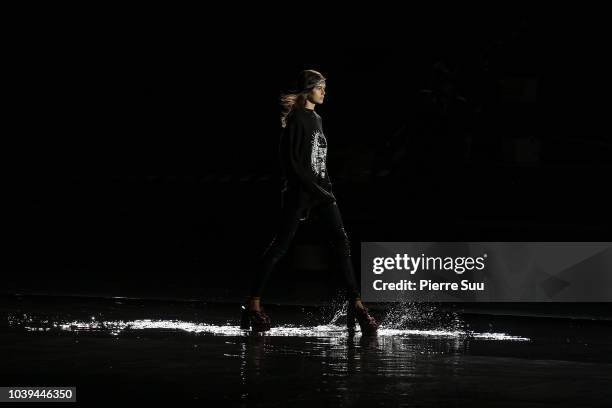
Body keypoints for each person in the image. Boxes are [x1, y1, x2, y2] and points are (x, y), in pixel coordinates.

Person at [240, 69, 378, 335]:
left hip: (322, 193)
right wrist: (315, 190)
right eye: (320, 87)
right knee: (280, 247)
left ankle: (357, 305)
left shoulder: (317, 118)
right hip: (300, 193)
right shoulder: (296, 120)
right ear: (308, 89)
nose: (325, 92)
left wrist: (327, 190)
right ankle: (253, 302)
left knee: (342, 243)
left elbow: (319, 162)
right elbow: (292, 164)